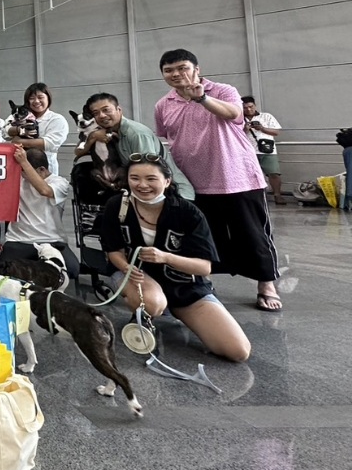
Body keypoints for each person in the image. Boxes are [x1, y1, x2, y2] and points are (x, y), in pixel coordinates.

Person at [155, 49, 281, 312]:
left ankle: (266, 284)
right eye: (169, 70)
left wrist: (202, 98)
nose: (176, 74)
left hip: (237, 177)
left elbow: (234, 114)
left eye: (182, 67)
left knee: (253, 234)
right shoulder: (163, 104)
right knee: (203, 237)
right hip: (194, 183)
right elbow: (166, 136)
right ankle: (204, 282)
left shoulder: (222, 91)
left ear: (197, 69)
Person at [98, 154, 251, 362]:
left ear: (167, 181)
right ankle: (144, 314)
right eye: (135, 178)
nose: (142, 185)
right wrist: (126, 268)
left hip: (184, 284)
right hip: (138, 277)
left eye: (151, 179)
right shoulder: (117, 206)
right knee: (152, 302)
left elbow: (203, 268)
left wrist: (165, 257)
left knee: (238, 351)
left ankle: (177, 309)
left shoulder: (188, 212)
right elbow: (113, 251)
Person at [79, 93, 194, 199]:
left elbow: (148, 172)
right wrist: (92, 136)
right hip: (147, 192)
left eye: (106, 110)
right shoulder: (108, 133)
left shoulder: (136, 134)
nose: (102, 115)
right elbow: (79, 152)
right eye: (96, 113)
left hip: (173, 194)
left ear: (119, 110)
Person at [5, 145, 80, 278]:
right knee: (2, 270)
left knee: (71, 270)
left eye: (25, 171)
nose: (23, 174)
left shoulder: (60, 182)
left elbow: (45, 191)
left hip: (52, 240)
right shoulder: (17, 179)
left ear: (42, 169)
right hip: (19, 239)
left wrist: (24, 162)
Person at [6, 82, 70, 176]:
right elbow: (4, 132)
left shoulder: (57, 119)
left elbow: (49, 144)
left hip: (44, 170)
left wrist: (18, 141)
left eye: (40, 97)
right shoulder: (17, 115)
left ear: (48, 98)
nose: (36, 101)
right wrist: (18, 130)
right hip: (18, 169)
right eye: (32, 98)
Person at [242, 95, 284, 205]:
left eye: (251, 107)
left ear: (255, 106)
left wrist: (262, 128)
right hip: (248, 151)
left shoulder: (266, 116)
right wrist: (245, 129)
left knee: (274, 173)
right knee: (250, 175)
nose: (248, 109)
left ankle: (277, 195)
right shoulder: (239, 119)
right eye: (245, 108)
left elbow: (276, 132)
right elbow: (234, 135)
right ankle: (254, 197)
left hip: (267, 150)